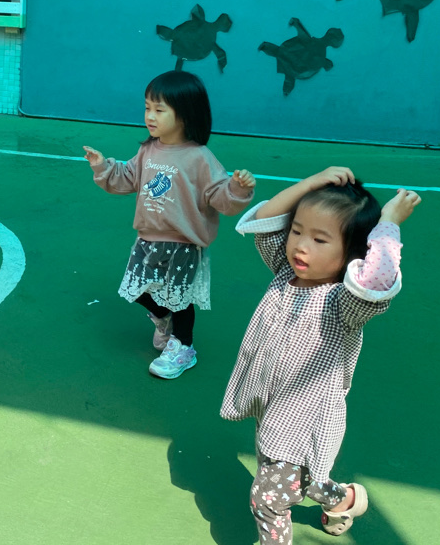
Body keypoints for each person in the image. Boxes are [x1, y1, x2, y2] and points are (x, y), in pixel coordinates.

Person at [221, 167, 420, 543]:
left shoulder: (345, 303)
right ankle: (345, 499)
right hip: (272, 402)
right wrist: (311, 183)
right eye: (297, 231)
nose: (300, 245)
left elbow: (377, 279)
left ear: (353, 253)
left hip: (307, 416)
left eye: (320, 239)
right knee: (304, 480)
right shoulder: (285, 271)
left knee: (267, 499)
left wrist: (388, 224)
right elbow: (266, 220)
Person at [83, 70, 255, 379]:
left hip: (183, 242)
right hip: (148, 238)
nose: (150, 116)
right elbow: (127, 178)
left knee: (180, 298)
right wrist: (102, 167)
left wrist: (238, 189)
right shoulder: (148, 150)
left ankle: (184, 347)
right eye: (147, 107)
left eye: (159, 110)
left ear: (186, 114)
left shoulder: (200, 157)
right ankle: (163, 318)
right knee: (138, 290)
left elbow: (220, 197)